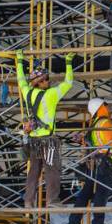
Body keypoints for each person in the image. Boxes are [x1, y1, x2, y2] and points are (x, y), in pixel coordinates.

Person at [15, 50, 75, 207]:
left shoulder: (27, 92)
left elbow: (21, 79)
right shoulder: (51, 95)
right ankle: (52, 200)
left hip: (34, 140)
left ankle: (28, 201)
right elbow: (68, 83)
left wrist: (19, 60)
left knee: (33, 172)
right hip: (48, 141)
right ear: (39, 82)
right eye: (46, 79)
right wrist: (68, 63)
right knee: (52, 170)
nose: (48, 82)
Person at [68, 98, 112, 224]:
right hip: (104, 163)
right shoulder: (105, 122)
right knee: (101, 193)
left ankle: (72, 223)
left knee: (85, 194)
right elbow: (111, 143)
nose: (109, 107)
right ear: (100, 107)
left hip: (93, 163)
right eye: (106, 105)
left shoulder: (93, 123)